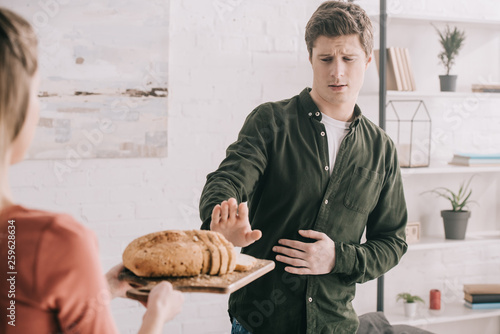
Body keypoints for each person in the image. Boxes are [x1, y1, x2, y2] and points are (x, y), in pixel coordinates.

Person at [199, 1, 408, 333]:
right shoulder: (271, 121)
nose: (336, 72)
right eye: (325, 59)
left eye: (348, 59)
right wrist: (220, 219)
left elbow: (392, 242)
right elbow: (228, 178)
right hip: (260, 323)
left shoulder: (381, 149)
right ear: (310, 58)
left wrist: (338, 258)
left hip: (334, 324)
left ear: (367, 61)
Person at [0, 7, 183, 334]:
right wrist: (157, 315)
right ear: (13, 104)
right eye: (36, 91)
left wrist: (97, 289)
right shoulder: (53, 241)